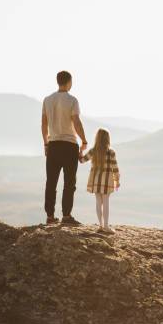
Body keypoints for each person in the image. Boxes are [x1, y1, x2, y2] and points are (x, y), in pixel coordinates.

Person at [41, 71, 88, 225]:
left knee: (51, 182)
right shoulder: (72, 100)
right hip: (69, 145)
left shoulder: (47, 100)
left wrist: (46, 143)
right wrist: (84, 140)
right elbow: (76, 121)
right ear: (69, 82)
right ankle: (66, 216)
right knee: (69, 182)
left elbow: (44, 124)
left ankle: (50, 216)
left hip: (53, 144)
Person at [79, 128, 120, 233]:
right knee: (106, 202)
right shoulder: (111, 152)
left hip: (95, 179)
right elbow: (115, 168)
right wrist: (117, 180)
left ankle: (101, 225)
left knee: (98, 202)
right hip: (107, 180)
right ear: (107, 139)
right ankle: (106, 226)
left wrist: (80, 151)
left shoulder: (93, 151)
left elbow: (82, 160)